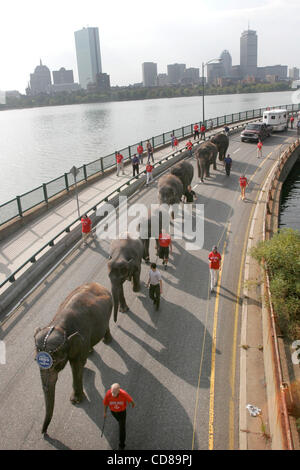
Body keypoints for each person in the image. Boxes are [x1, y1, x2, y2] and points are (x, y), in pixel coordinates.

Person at [103, 383, 135, 450]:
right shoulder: (108, 394)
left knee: (122, 429)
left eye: (115, 393)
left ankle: (121, 445)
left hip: (122, 413)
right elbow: (105, 403)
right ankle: (120, 423)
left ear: (119, 391)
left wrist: (132, 404)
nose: (113, 394)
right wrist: (105, 412)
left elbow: (131, 401)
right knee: (119, 421)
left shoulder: (123, 394)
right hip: (113, 412)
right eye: (112, 392)